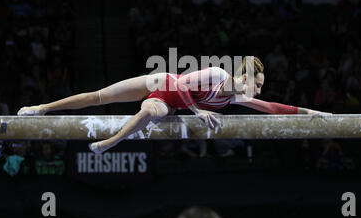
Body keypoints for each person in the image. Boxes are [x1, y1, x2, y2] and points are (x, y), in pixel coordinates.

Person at [17, 56, 331, 154]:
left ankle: (108, 144)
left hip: (168, 104)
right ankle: (41, 108)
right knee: (98, 97)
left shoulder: (237, 96)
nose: (258, 91)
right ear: (244, 76)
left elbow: (274, 108)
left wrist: (314, 113)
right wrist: (198, 111)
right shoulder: (218, 74)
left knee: (150, 113)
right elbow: (180, 85)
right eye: (257, 84)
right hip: (163, 84)